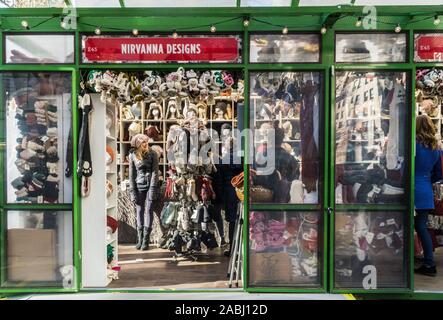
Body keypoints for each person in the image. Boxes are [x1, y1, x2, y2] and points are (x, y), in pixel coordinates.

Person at [415, 114, 442, 276]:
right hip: (425, 190)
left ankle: (405, 258)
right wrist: (426, 179)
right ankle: (429, 263)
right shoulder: (436, 148)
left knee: (404, 225)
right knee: (422, 227)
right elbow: (439, 174)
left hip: (411, 188)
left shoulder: (413, 145)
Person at [129, 133, 160, 251]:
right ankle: (140, 238)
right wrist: (132, 191)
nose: (146, 144)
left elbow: (155, 172)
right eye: (143, 142)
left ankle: (146, 240)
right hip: (138, 186)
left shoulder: (153, 154)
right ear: (138, 144)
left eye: (147, 142)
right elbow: (131, 174)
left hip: (151, 185)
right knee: (140, 210)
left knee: (149, 210)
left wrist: (152, 188)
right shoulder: (132, 155)